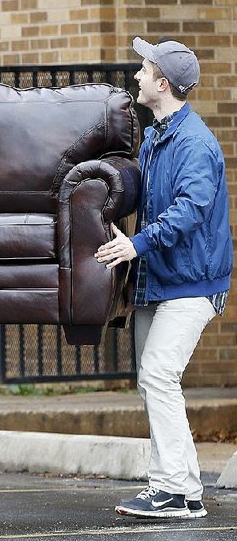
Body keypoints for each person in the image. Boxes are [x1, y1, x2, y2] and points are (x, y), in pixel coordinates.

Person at [95, 37, 232, 519]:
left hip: (194, 283)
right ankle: (178, 487)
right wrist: (130, 257)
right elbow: (153, 206)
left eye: (143, 69)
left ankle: (175, 489)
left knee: (158, 374)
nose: (136, 76)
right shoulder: (156, 135)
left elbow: (190, 211)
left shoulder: (195, 143)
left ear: (163, 83)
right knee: (151, 381)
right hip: (159, 280)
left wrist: (136, 245)